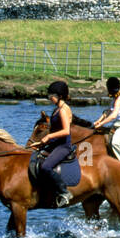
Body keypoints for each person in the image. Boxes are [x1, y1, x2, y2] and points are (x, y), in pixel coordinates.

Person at [35, 79, 77, 207]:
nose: (49, 98)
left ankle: (64, 192)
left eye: (51, 96)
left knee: (46, 167)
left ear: (59, 96)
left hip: (63, 146)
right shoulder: (56, 109)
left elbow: (65, 131)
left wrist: (48, 137)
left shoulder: (63, 110)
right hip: (55, 144)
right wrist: (40, 144)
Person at [93, 75, 120, 172]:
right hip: (118, 125)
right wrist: (98, 121)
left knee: (115, 142)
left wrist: (101, 123)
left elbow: (113, 116)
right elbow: (108, 112)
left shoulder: (119, 100)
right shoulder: (115, 100)